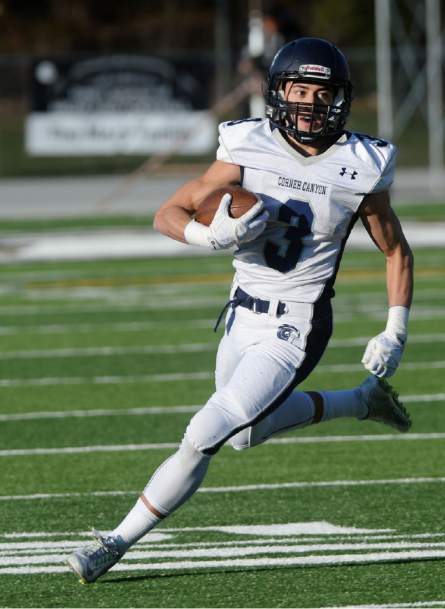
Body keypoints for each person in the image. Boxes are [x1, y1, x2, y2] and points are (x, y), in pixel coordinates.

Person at [67, 37, 414, 584]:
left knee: (206, 430)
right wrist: (212, 235)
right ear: (278, 93)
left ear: (340, 98)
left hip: (296, 322)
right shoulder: (246, 144)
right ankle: (361, 402)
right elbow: (167, 213)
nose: (310, 103)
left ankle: (115, 542)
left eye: (322, 92)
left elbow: (395, 249)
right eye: (299, 89)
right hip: (241, 313)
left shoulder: (361, 163)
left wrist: (395, 331)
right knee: (245, 434)